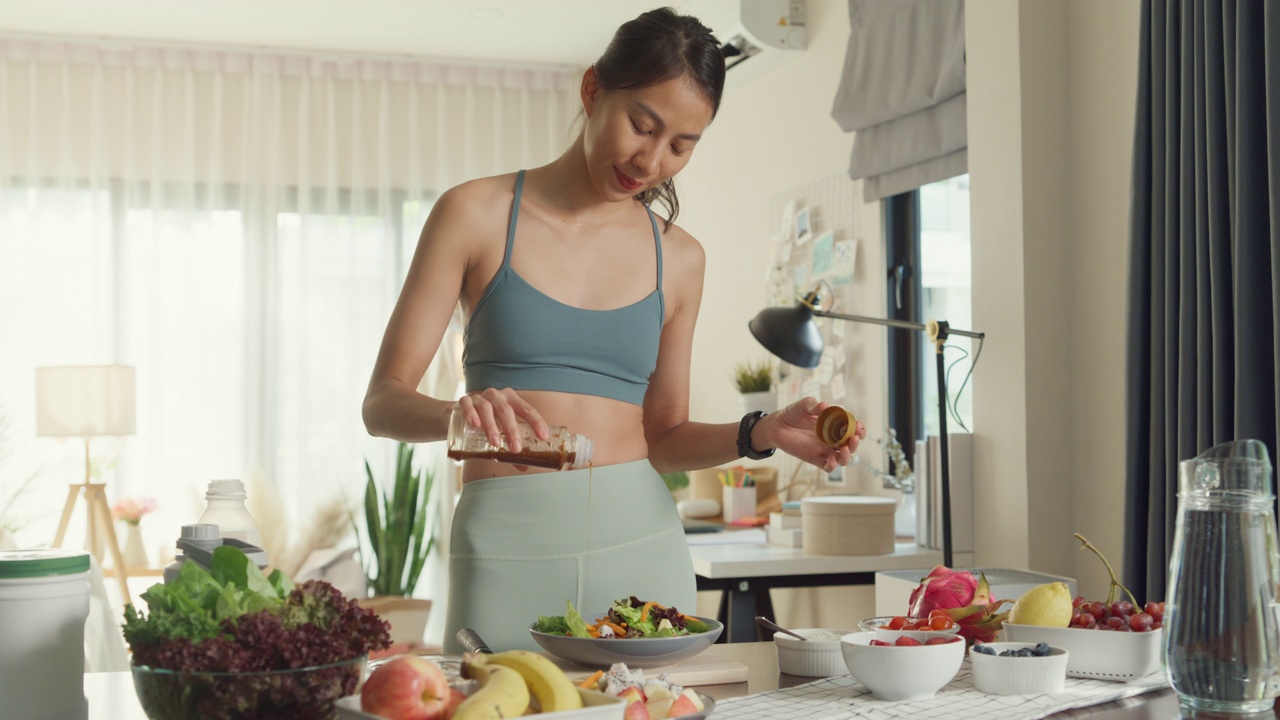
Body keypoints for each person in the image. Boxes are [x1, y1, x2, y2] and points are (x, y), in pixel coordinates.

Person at [362, 7, 866, 652]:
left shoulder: (680, 259)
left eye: (680, 145)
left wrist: (760, 432)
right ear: (592, 89)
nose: (651, 160)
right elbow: (383, 404)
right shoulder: (475, 214)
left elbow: (664, 436)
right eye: (642, 125)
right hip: (503, 545)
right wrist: (460, 417)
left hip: (641, 544)